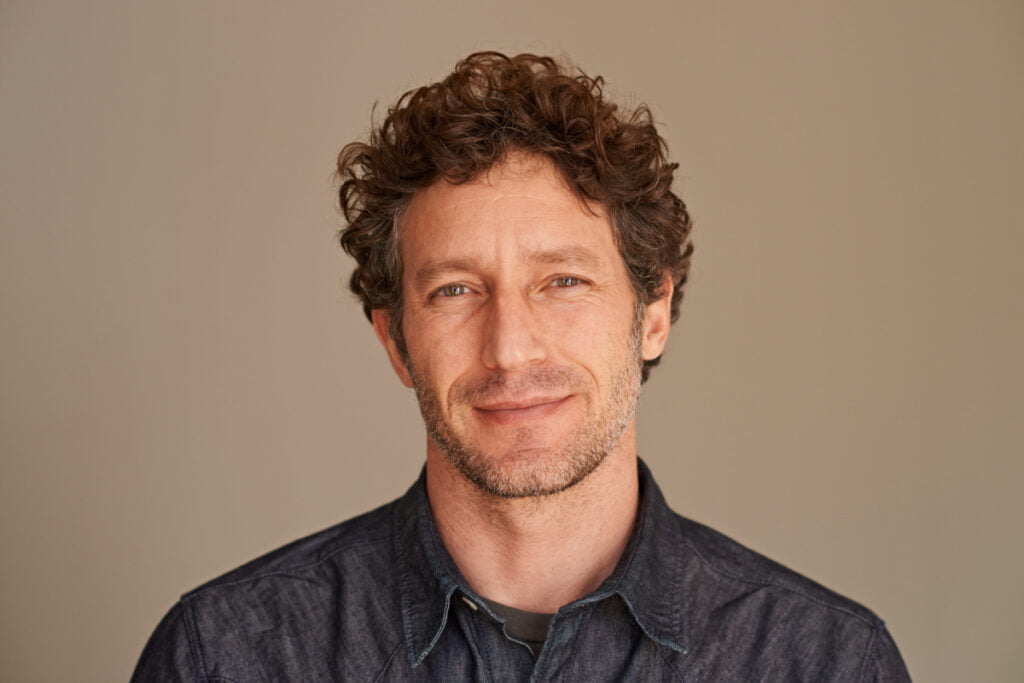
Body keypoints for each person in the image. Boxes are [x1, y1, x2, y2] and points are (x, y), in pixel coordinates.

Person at [132, 52, 910, 681]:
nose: (510, 347)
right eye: (456, 289)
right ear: (395, 341)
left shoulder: (828, 661)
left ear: (655, 312)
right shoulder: (228, 657)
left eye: (562, 281)